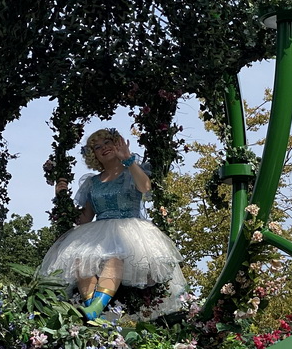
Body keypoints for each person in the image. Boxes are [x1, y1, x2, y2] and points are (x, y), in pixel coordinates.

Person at [39, 128, 185, 320]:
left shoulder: (131, 171)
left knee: (115, 258)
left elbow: (145, 187)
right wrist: (62, 197)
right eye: (97, 147)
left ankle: (95, 308)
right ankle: (93, 310)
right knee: (81, 261)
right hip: (98, 231)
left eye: (107, 142)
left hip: (130, 230)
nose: (103, 148)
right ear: (93, 155)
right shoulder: (92, 182)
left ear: (117, 144)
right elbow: (85, 218)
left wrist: (128, 159)